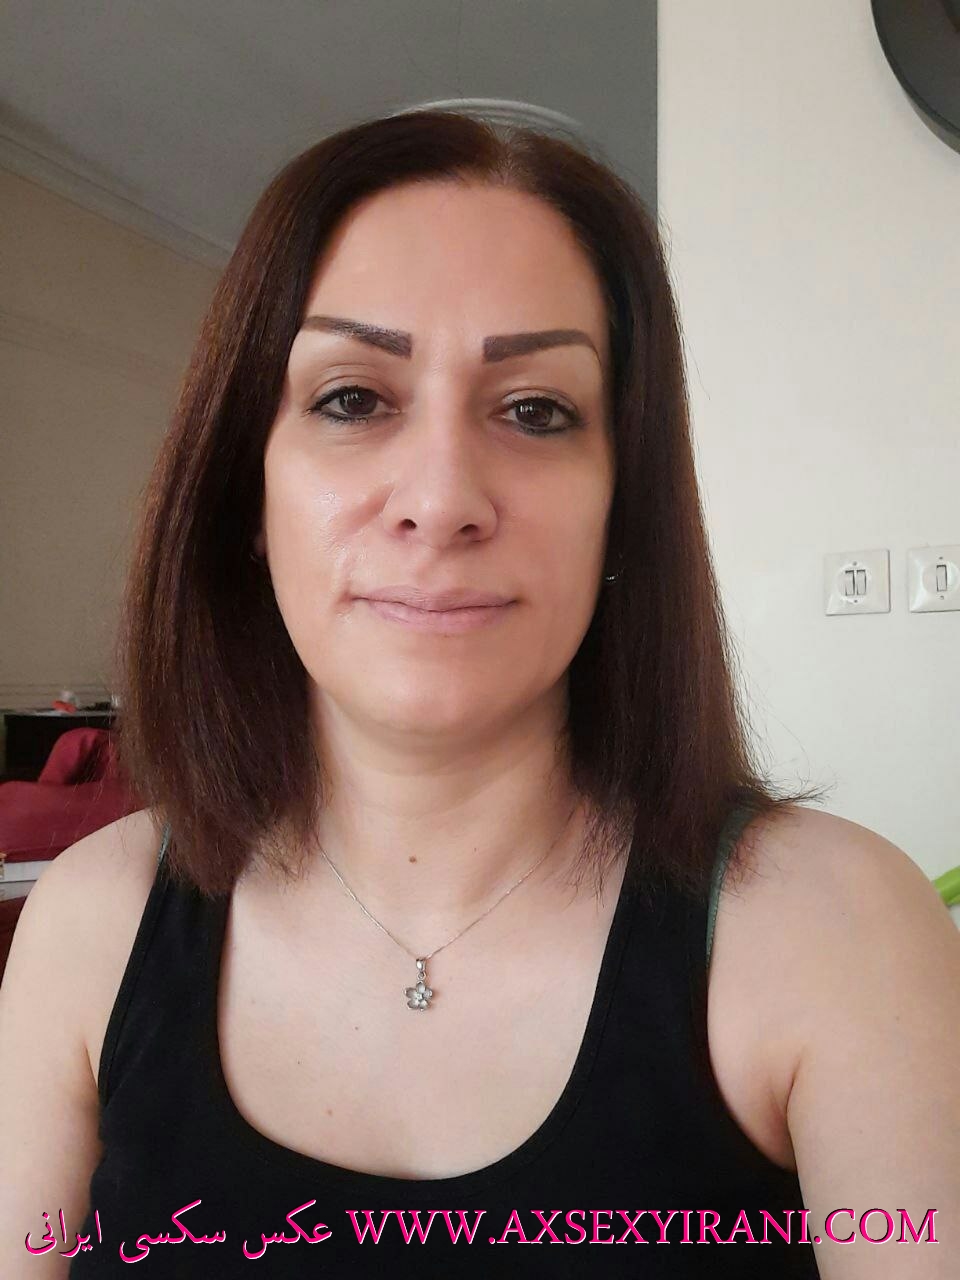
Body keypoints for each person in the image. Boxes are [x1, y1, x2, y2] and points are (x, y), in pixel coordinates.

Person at [1, 109, 957, 1280]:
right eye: (353, 398)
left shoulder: (839, 930)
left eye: (535, 409)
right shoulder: (89, 925)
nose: (442, 497)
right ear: (246, 490)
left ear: (622, 508)